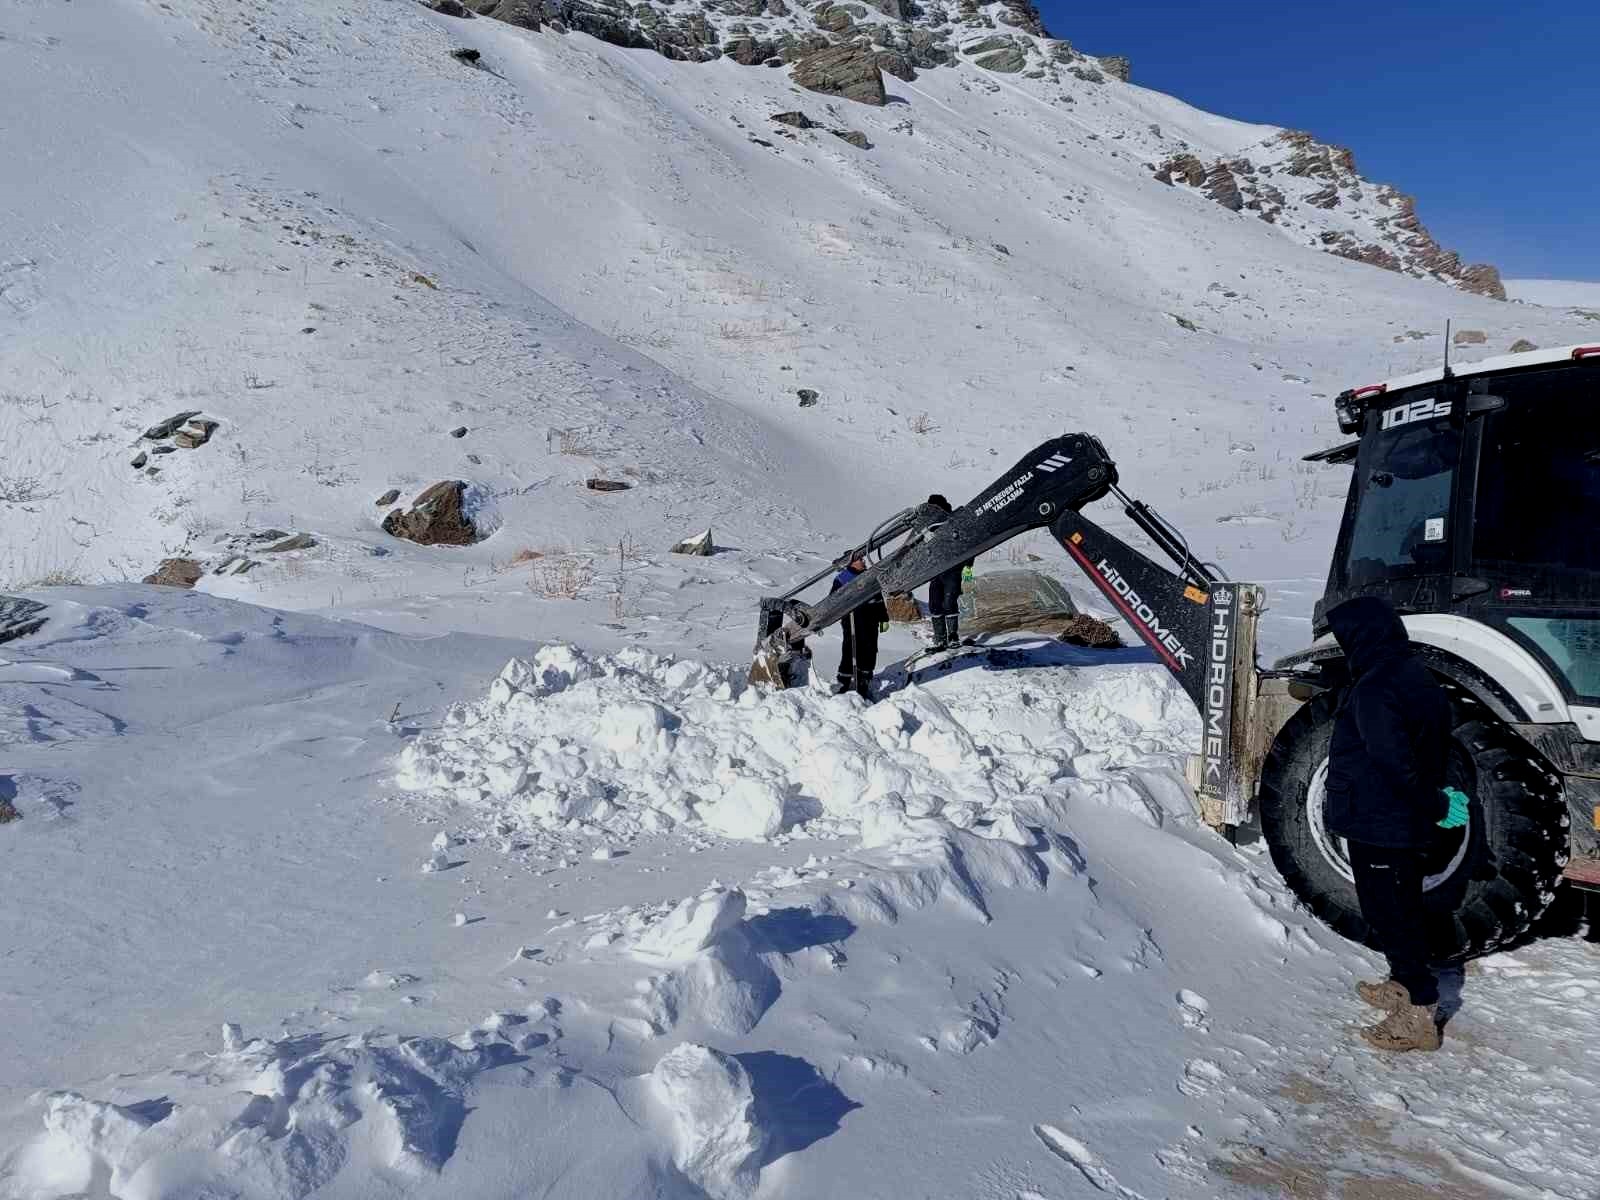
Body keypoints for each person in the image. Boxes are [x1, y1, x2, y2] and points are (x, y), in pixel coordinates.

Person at [1323, 595, 1465, 1053]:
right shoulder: (1414, 675)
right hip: (1389, 818)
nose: (1344, 647)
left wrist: (1435, 805)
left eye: (1346, 638)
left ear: (1363, 635)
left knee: (1393, 913)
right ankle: (1403, 982)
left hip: (1382, 820)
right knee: (1394, 906)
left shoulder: (1376, 688)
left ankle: (1419, 1013)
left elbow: (1395, 763)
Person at [830, 552, 889, 699]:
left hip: (871, 620)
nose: (863, 561)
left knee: (869, 649)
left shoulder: (869, 575)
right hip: (852, 620)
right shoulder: (842, 579)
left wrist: (883, 618)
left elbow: (878, 597)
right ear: (851, 562)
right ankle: (844, 680)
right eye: (860, 559)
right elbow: (832, 600)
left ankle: (864, 680)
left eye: (862, 558)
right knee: (850, 648)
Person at [924, 494, 974, 650]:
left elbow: (968, 543)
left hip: (953, 569)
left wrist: (968, 567)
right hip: (935, 571)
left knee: (949, 602)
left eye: (932, 507)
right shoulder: (929, 526)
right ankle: (940, 638)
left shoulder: (953, 521)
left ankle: (952, 636)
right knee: (934, 603)